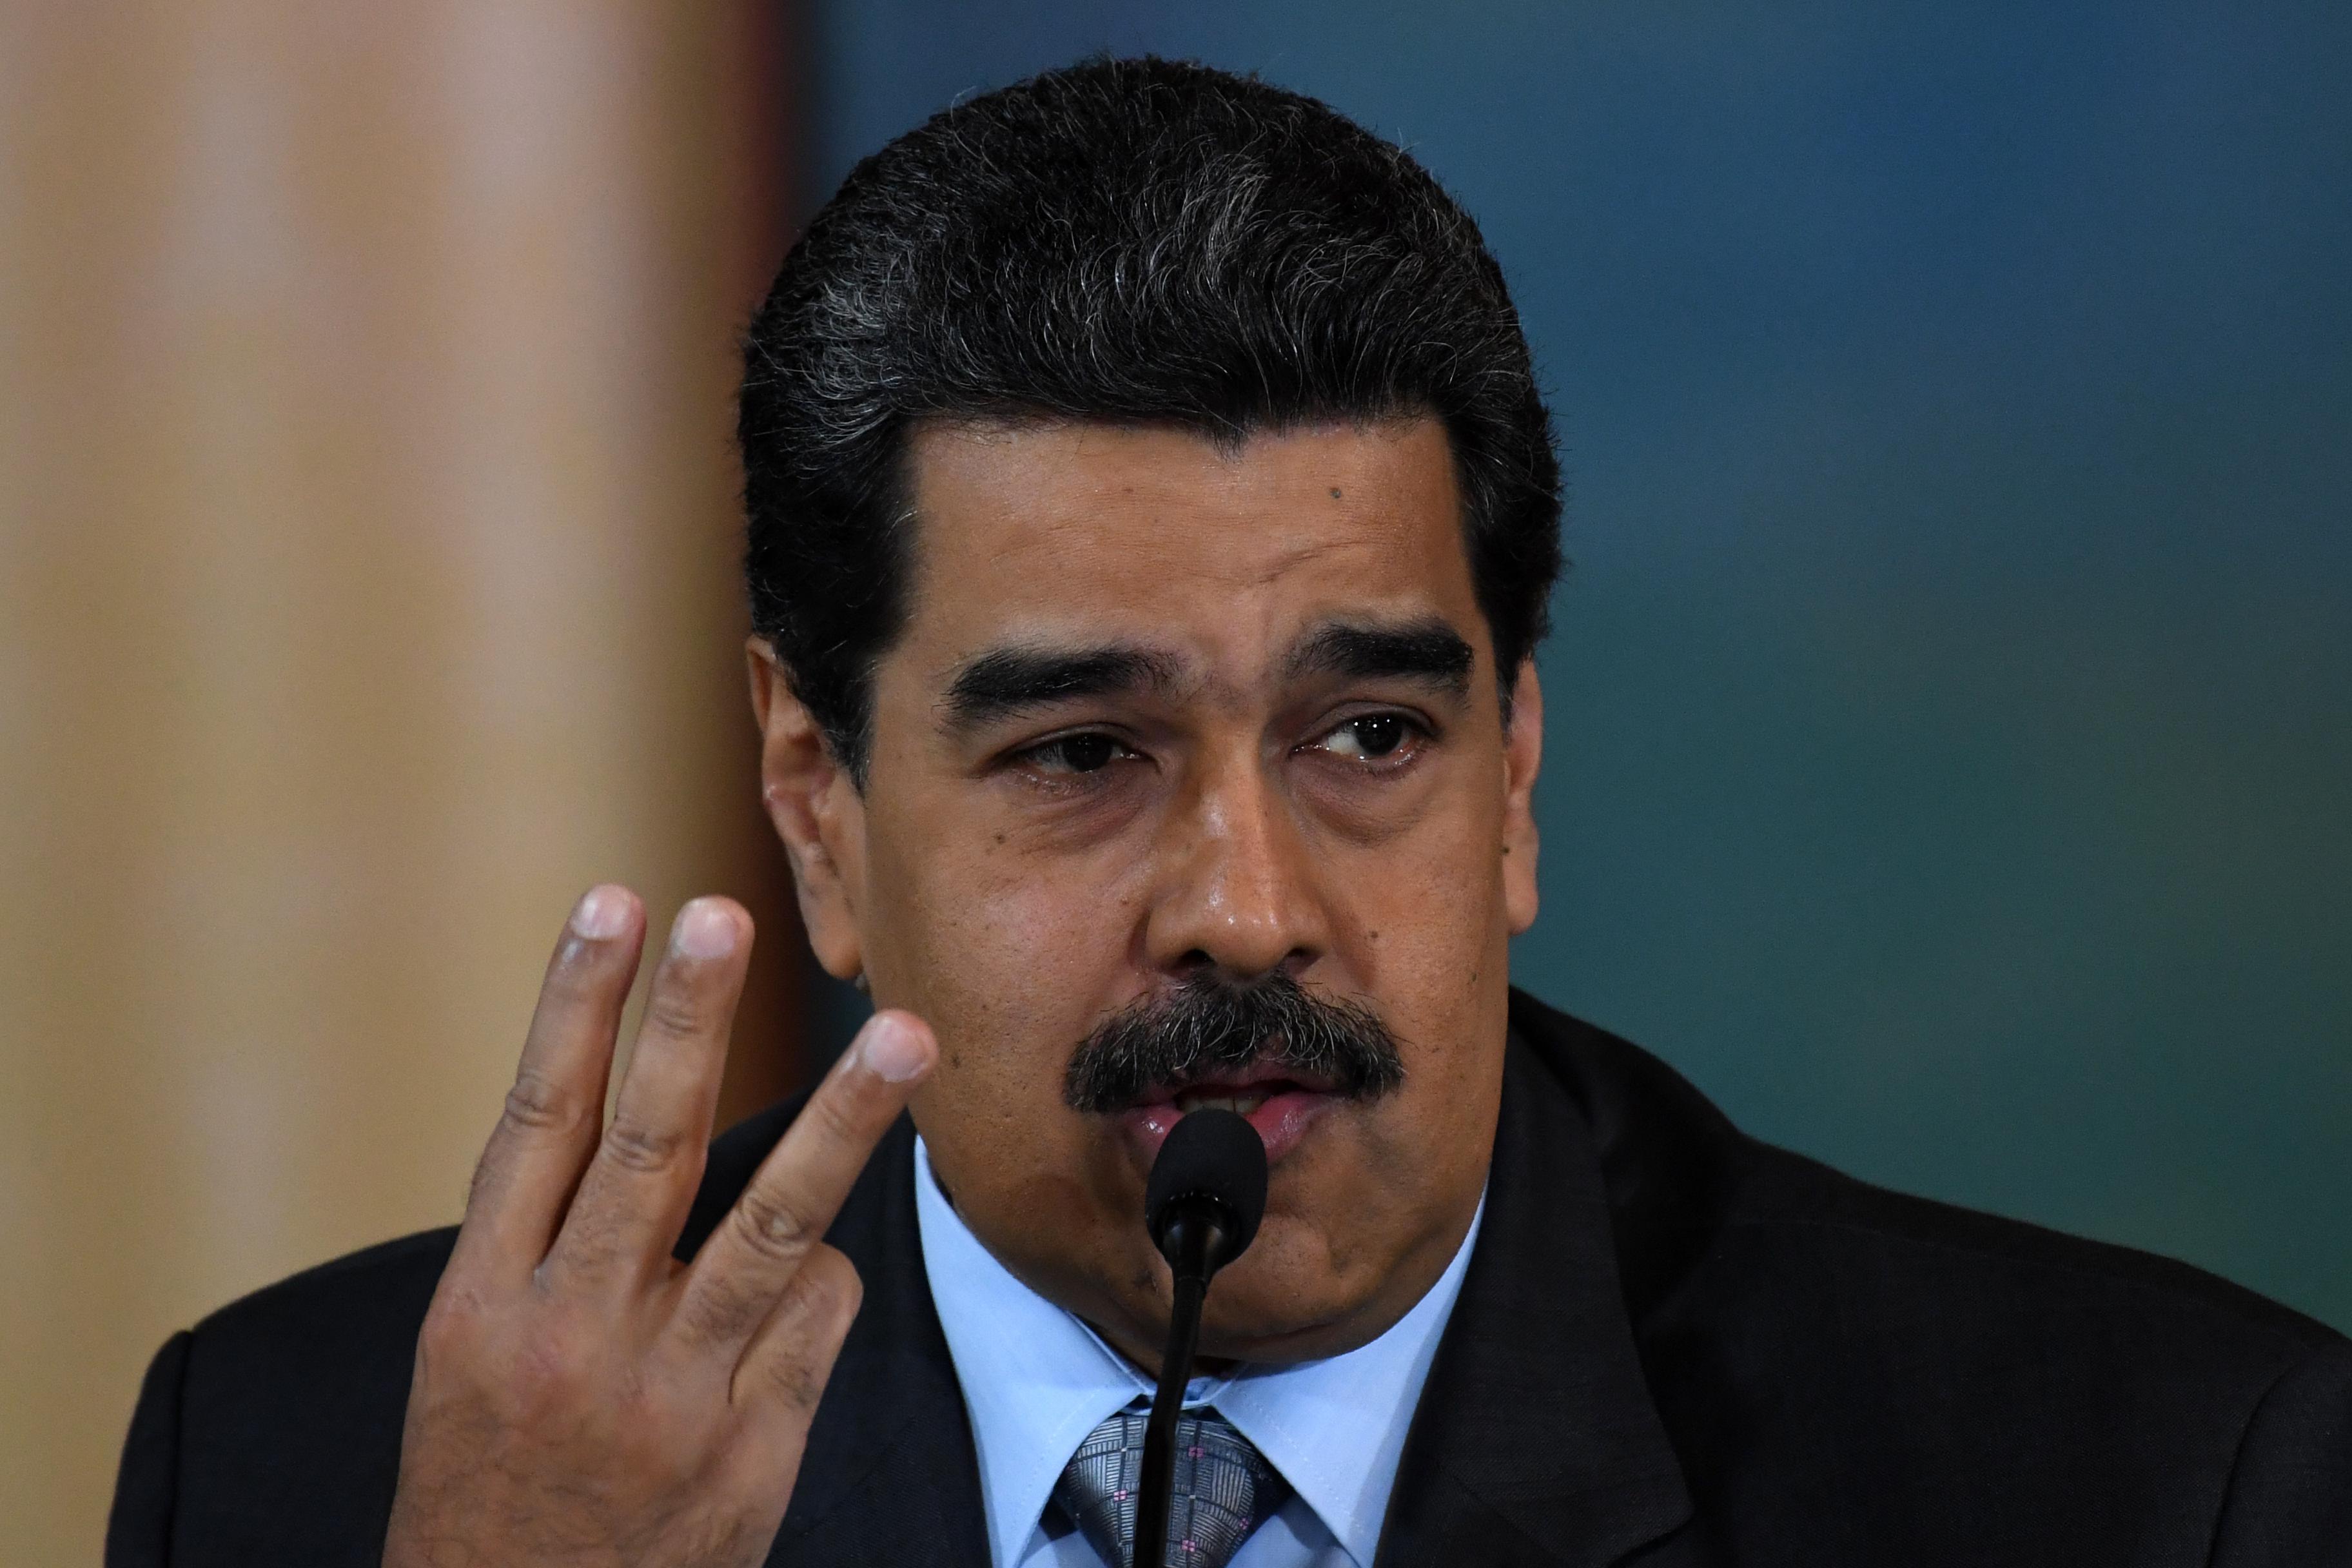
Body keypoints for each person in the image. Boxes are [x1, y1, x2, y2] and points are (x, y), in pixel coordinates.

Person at [107, 56, 2349, 1568]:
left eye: (1370, 735)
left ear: (1520, 782)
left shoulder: (2155, 1487)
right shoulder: (325, 1474)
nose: (1249, 913)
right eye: (1084, 756)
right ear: (819, 812)